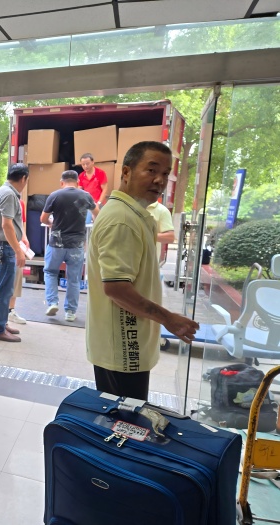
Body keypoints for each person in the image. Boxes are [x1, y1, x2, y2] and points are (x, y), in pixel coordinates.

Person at [86, 141, 199, 400]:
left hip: (124, 347)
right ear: (126, 172)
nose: (160, 180)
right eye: (151, 170)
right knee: (124, 419)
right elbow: (116, 288)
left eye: (165, 174)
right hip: (122, 348)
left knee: (123, 416)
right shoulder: (122, 220)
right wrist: (168, 318)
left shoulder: (132, 213)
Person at [40, 170, 98, 322]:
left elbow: (43, 218)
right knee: (74, 279)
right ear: (78, 182)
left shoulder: (55, 195)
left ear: (62, 182)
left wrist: (51, 223)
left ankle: (52, 303)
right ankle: (70, 312)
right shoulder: (85, 196)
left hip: (56, 243)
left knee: (50, 272)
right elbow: (98, 214)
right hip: (76, 245)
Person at [0, 163, 29, 342]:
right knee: (3, 290)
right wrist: (18, 251)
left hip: (3, 247)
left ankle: (2, 323)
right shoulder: (8, 194)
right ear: (23, 178)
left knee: (5, 289)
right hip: (4, 248)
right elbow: (6, 225)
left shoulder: (4, 191)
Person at [78, 153, 108, 221]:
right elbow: (79, 190)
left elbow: (105, 190)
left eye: (87, 164)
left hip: (100, 204)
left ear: (92, 162)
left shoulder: (100, 173)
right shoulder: (81, 176)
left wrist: (99, 203)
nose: (85, 166)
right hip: (87, 205)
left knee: (98, 222)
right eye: (83, 164)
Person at [147, 200, 175, 265]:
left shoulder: (162, 210)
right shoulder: (127, 205)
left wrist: (144, 235)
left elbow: (170, 237)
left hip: (149, 263)